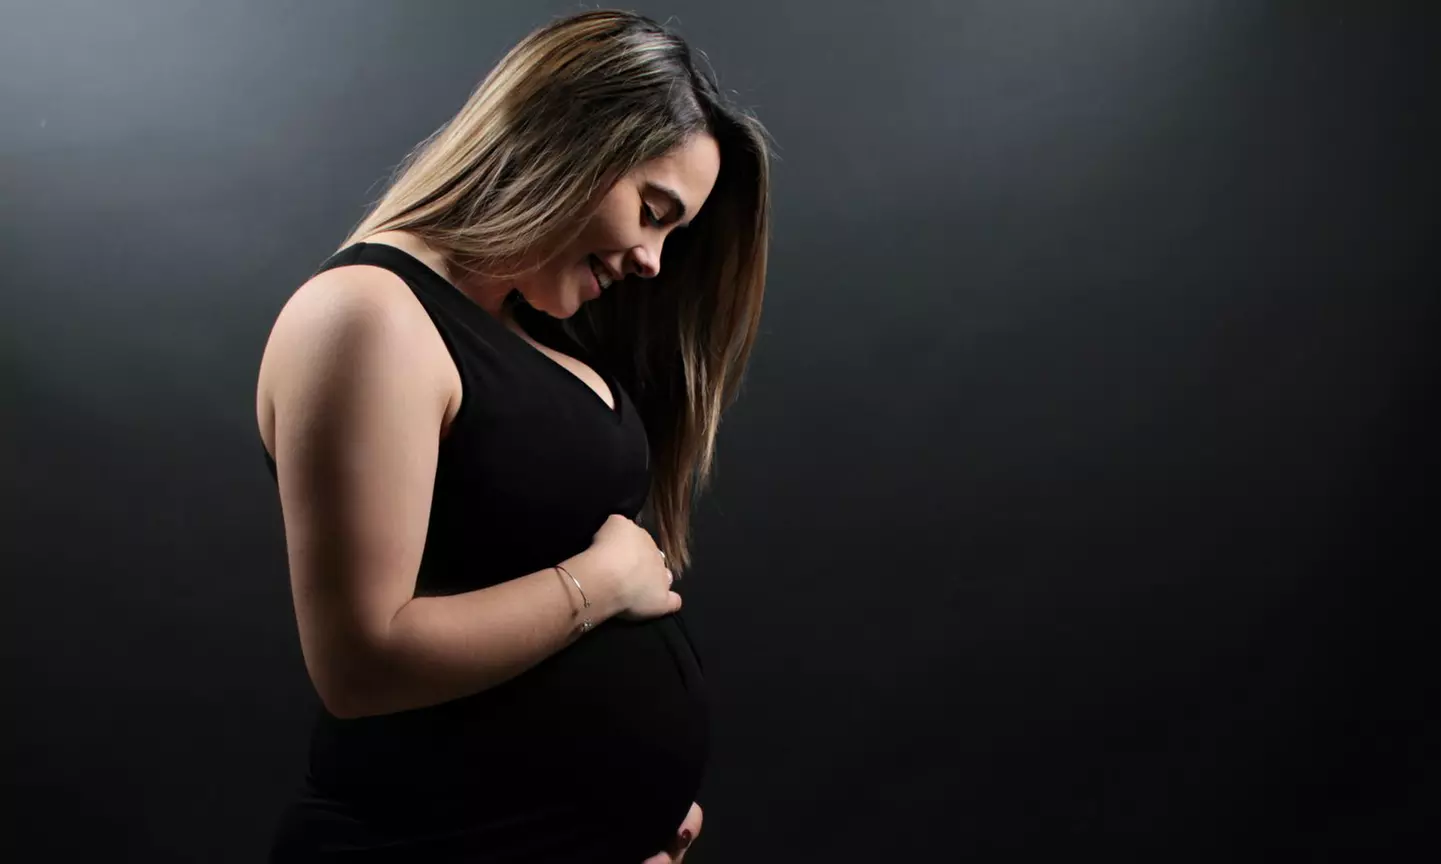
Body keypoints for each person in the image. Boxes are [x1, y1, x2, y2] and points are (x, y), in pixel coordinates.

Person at [254, 9, 771, 862]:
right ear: (567, 141)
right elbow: (359, 664)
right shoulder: (368, 316)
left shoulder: (528, 327)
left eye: (672, 234)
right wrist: (599, 583)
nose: (652, 261)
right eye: (651, 210)